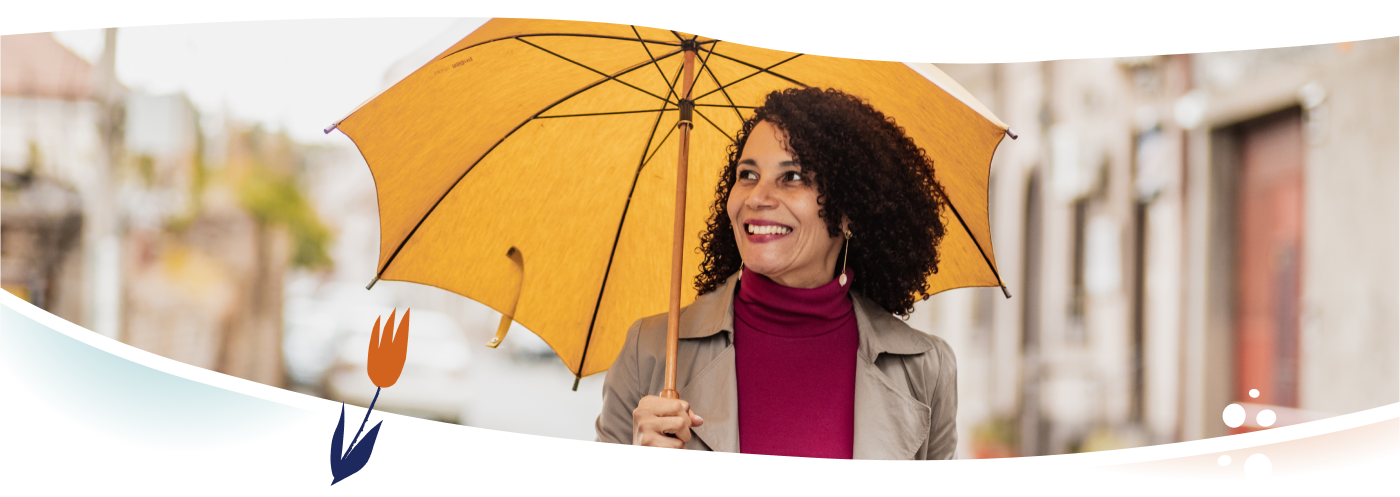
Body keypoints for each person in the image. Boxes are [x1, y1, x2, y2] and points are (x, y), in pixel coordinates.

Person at [594, 87, 958, 460]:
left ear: (849, 208)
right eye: (747, 174)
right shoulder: (651, 352)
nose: (756, 197)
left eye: (793, 177)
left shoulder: (925, 369)